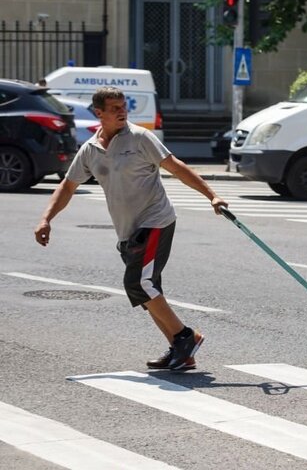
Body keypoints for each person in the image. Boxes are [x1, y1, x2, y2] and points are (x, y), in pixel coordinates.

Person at [34, 86, 228, 371]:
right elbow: (68, 185)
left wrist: (212, 195)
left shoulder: (140, 138)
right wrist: (46, 218)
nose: (121, 111)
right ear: (99, 113)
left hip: (156, 221)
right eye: (114, 108)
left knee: (138, 283)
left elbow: (175, 166)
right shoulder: (90, 150)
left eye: (123, 106)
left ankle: (186, 337)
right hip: (127, 231)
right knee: (145, 290)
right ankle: (181, 352)